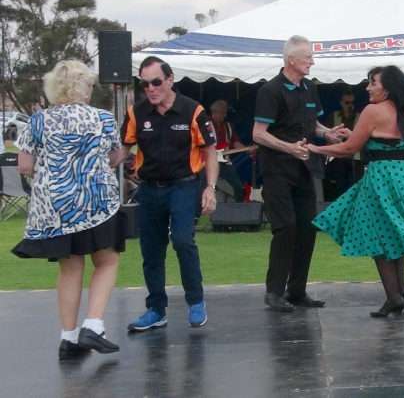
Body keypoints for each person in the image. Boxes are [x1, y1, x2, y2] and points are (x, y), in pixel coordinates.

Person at [308, 65, 404, 318]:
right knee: (395, 236)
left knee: (380, 237)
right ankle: (401, 293)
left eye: (372, 83)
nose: (367, 87)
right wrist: (357, 135)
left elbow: (348, 149)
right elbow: (389, 140)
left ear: (386, 88)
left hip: (383, 178)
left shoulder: (372, 110)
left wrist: (315, 149)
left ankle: (394, 297)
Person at [11, 60, 125, 360]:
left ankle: (69, 338)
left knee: (70, 267)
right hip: (96, 203)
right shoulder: (103, 118)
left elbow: (24, 164)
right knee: (107, 260)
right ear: (83, 87)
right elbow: (116, 156)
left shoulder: (38, 121)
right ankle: (94, 324)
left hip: (56, 210)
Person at [123, 56, 218, 332]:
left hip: (184, 185)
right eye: (145, 84)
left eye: (156, 82)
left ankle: (196, 301)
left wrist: (210, 188)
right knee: (151, 250)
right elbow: (122, 149)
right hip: (150, 188)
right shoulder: (136, 113)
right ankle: (155, 309)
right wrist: (101, 160)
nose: (150, 89)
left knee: (181, 241)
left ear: (169, 80)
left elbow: (210, 151)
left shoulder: (193, 111)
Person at [252, 35, 343, 312]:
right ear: (292, 60)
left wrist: (328, 132)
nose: (312, 62)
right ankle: (274, 292)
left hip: (305, 169)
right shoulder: (271, 91)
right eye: (308, 57)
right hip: (277, 170)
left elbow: (312, 123)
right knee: (286, 228)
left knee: (307, 228)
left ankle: (297, 291)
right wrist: (289, 148)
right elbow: (258, 134)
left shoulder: (309, 89)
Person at [324, 89, 360, 199]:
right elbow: (327, 135)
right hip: (338, 158)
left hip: (356, 158)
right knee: (340, 188)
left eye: (352, 103)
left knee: (356, 187)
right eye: (347, 103)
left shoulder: (360, 117)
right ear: (341, 103)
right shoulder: (333, 116)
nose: (350, 106)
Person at [210, 100, 247, 202]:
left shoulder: (228, 126)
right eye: (222, 113)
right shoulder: (206, 125)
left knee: (237, 186)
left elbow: (235, 142)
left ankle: (237, 208)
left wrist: (247, 149)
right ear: (215, 112)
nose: (224, 115)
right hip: (208, 162)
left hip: (224, 162)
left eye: (225, 113)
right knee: (206, 186)